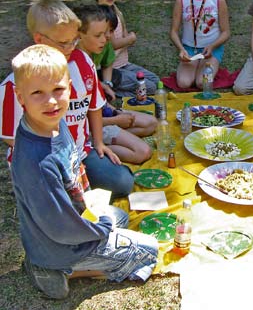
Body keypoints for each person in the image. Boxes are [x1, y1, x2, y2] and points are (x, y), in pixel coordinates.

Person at [10, 45, 158, 299]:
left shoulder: (55, 121)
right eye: (37, 93)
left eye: (58, 89)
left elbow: (73, 174)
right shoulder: (37, 162)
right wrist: (100, 229)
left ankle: (57, 258)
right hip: (62, 240)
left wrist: (97, 214)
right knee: (149, 249)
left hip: (73, 220)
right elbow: (60, 227)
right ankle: (57, 268)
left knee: (119, 217)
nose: (52, 101)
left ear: (70, 86)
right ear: (20, 96)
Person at [0, 0, 134, 199]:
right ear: (39, 40)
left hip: (80, 153)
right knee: (60, 205)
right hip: (41, 163)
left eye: (75, 40)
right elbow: (11, 138)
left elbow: (94, 106)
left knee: (123, 183)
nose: (71, 47)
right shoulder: (15, 85)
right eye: (63, 43)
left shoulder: (83, 62)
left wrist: (98, 142)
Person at [74, 4, 156, 164]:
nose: (105, 39)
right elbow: (80, 120)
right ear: (79, 35)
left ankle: (114, 137)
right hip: (91, 129)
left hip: (101, 118)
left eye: (106, 33)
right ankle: (93, 147)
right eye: (98, 35)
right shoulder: (75, 66)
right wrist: (115, 121)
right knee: (143, 152)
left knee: (151, 123)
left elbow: (98, 104)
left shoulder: (87, 60)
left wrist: (116, 113)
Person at [92, 0, 159, 98]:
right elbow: (113, 45)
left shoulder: (116, 10)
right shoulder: (100, 17)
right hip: (112, 69)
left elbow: (123, 35)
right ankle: (107, 91)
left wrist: (127, 39)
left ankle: (111, 89)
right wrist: (130, 39)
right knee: (149, 87)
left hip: (124, 63)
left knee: (155, 80)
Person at [170, 0, 230, 89]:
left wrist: (213, 46)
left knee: (202, 83)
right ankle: (195, 66)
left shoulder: (218, 0)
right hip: (189, 50)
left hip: (211, 49)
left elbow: (226, 32)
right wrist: (181, 49)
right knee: (184, 83)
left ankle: (210, 65)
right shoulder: (181, 0)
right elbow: (173, 31)